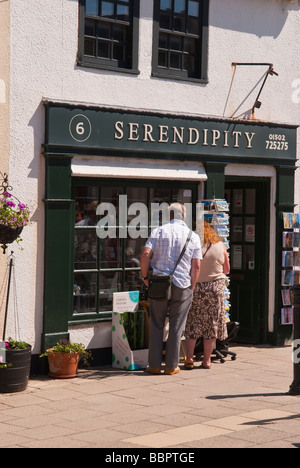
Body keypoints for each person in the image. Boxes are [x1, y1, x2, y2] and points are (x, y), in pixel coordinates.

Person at [140, 203, 202, 375]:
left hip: (159, 283)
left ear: (169, 215)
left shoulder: (158, 231)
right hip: (183, 284)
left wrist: (146, 278)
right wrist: (192, 285)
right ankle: (171, 366)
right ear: (183, 216)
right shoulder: (193, 236)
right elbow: (196, 266)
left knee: (156, 324)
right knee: (176, 326)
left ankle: (153, 365)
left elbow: (145, 254)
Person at [185, 221, 230, 370]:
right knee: (212, 325)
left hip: (196, 287)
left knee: (192, 323)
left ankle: (189, 358)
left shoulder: (193, 245)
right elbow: (227, 269)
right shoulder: (219, 245)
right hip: (214, 289)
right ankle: (207, 360)